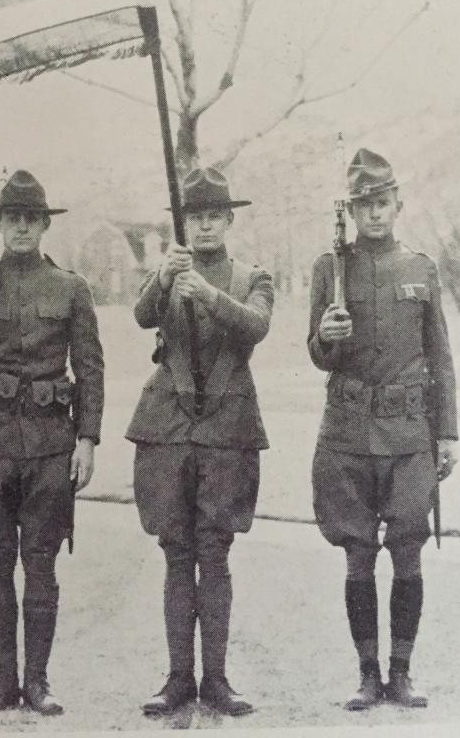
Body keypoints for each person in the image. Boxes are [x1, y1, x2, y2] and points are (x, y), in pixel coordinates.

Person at [0, 170, 104, 716]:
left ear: (43, 225)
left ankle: (38, 682)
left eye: (31, 220)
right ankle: (2, 680)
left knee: (41, 564)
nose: (21, 229)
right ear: (0, 224)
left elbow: (90, 368)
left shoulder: (70, 288)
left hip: (48, 446)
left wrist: (87, 440)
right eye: (11, 219)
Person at [307, 149, 458, 711]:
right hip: (347, 432)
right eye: (364, 204)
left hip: (408, 434)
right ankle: (367, 674)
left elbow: (439, 356)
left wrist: (448, 433)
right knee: (357, 556)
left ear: (398, 204)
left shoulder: (421, 268)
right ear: (351, 209)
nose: (374, 214)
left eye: (382, 202)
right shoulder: (331, 268)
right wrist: (328, 334)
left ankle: (403, 672)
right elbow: (319, 355)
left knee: (408, 552)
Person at [127, 167, 274, 717]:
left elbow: (255, 326)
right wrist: (165, 278)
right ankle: (177, 678)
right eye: (196, 217)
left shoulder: (251, 276)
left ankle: (216, 678)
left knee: (214, 552)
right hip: (168, 425)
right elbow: (141, 316)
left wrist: (207, 294)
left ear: (229, 220)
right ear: (183, 222)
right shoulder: (168, 271)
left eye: (214, 216)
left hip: (227, 426)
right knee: (176, 551)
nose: (206, 226)